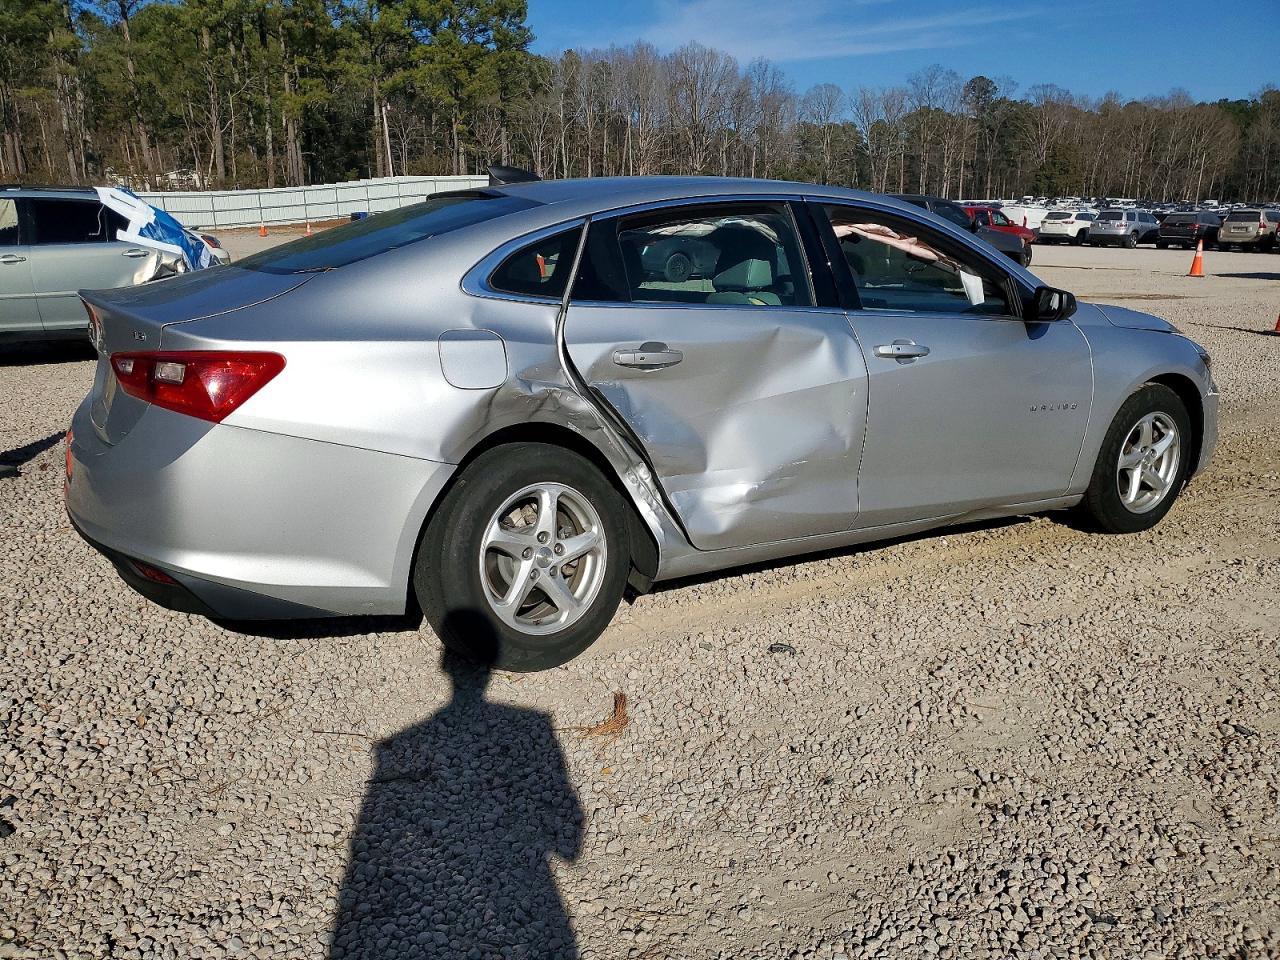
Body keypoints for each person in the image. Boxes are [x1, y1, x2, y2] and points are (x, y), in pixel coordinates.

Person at [329, 621, 584, 959]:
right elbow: (570, 841)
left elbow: (370, 840)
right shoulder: (532, 724)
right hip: (532, 904)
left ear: (445, 668)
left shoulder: (396, 747)